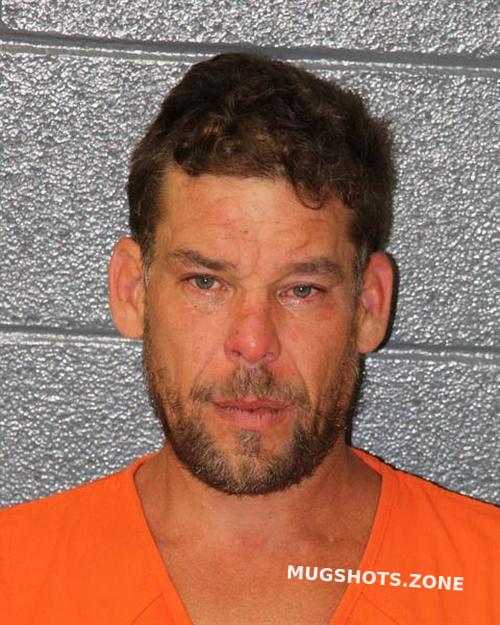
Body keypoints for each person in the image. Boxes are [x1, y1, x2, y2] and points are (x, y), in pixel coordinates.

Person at [0, 53, 498, 625]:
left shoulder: (485, 580)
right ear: (134, 291)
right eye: (206, 282)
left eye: (302, 290)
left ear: (369, 305)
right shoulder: (13, 574)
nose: (254, 343)